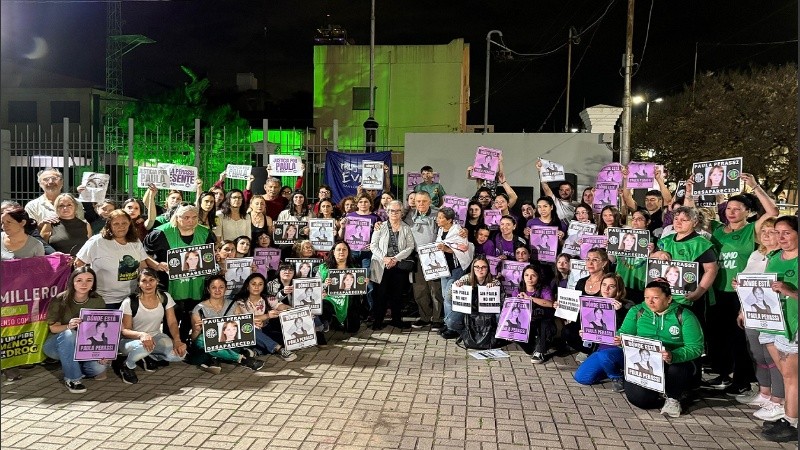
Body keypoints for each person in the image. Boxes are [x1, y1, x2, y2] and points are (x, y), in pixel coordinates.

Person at [685, 174, 778, 393]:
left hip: (742, 294)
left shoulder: (751, 230)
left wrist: (754, 186)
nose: (732, 212)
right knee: (718, 337)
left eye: (737, 209)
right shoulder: (717, 229)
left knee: (740, 339)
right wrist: (690, 193)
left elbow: (773, 213)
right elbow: (691, 217)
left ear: (748, 211)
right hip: (717, 292)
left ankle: (742, 381)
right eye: (729, 208)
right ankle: (723, 375)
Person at [616, 281, 704, 418]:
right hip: (646, 363)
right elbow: (624, 333)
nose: (650, 302)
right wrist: (619, 340)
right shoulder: (637, 311)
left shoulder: (685, 315)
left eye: (655, 298)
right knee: (640, 400)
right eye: (646, 297)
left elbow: (696, 347)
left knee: (677, 368)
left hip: (675, 363)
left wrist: (673, 355)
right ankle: (661, 393)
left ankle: (674, 397)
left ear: (668, 298)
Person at [143, 205, 217, 340]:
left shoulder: (206, 233)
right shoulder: (160, 233)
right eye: (186, 217)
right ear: (177, 217)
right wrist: (157, 264)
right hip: (168, 283)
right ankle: (168, 343)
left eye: (194, 217)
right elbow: (143, 254)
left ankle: (184, 342)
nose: (191, 221)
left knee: (191, 314)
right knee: (171, 315)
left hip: (196, 284)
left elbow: (209, 256)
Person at [757, 215, 798, 442]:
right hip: (772, 322)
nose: (780, 237)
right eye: (777, 232)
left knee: (792, 376)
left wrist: (790, 291)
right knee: (786, 374)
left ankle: (792, 422)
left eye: (787, 233)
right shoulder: (774, 257)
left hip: (794, 322)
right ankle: (791, 414)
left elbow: (789, 291)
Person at [651, 206, 718, 338]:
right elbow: (652, 260)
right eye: (676, 219)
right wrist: (658, 253)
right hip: (666, 298)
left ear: (694, 222)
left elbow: (711, 270)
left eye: (684, 220)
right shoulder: (666, 240)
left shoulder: (701, 243)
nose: (678, 222)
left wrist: (698, 292)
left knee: (691, 333)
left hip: (691, 299)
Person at [76, 209, 164, 309]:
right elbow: (79, 263)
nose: (121, 226)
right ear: (109, 225)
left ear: (130, 224)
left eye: (124, 223)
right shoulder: (97, 241)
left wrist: (156, 267)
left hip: (131, 299)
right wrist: (86, 285)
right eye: (116, 224)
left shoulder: (135, 241)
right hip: (104, 301)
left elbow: (142, 266)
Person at [43, 266, 108, 393]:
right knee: (69, 334)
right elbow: (53, 328)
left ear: (93, 283)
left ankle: (74, 366)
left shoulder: (98, 301)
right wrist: (68, 326)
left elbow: (102, 328)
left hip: (85, 345)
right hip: (56, 345)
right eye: (79, 280)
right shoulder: (60, 299)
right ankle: (73, 379)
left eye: (89, 280)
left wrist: (103, 351)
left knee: (99, 368)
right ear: (72, 282)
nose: (84, 284)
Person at [117, 268, 187, 384]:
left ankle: (148, 356)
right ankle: (126, 365)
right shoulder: (129, 302)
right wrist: (142, 335)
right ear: (139, 283)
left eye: (151, 280)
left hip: (155, 336)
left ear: (157, 281)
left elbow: (172, 322)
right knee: (143, 347)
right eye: (144, 281)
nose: (148, 284)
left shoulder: (165, 297)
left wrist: (177, 340)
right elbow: (125, 331)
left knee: (179, 355)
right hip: (131, 341)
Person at [190, 275, 264, 374]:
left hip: (229, 341)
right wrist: (197, 330)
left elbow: (240, 324)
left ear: (226, 289)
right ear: (208, 289)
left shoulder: (233, 305)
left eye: (221, 287)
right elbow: (194, 338)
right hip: (206, 342)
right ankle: (242, 359)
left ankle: (216, 358)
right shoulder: (199, 309)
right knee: (204, 339)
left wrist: (251, 322)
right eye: (213, 287)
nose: (217, 290)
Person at [571, 273, 632, 392]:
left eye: (612, 286)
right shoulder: (595, 303)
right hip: (601, 349)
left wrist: (619, 312)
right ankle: (610, 369)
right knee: (582, 377)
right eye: (604, 285)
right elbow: (590, 325)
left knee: (605, 356)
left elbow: (630, 330)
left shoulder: (628, 306)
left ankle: (617, 377)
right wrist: (586, 334)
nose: (606, 289)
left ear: (619, 289)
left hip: (620, 350)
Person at [371, 200, 416, 331]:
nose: (394, 213)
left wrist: (395, 259)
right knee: (380, 294)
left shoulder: (406, 228)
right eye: (392, 210)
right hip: (381, 265)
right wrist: (384, 258)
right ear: (387, 212)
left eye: (397, 211)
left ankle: (397, 320)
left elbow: (410, 246)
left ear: (401, 212)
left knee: (397, 294)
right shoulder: (380, 226)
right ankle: (378, 320)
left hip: (398, 265)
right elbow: (373, 245)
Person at [232, 273, 296, 361]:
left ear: (264, 286)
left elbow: (282, 306)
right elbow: (244, 319)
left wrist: (301, 311)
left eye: (260, 284)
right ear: (247, 286)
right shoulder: (240, 301)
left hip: (264, 331)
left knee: (285, 337)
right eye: (253, 284)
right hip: (247, 334)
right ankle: (279, 349)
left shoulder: (268, 298)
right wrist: (267, 316)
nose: (256, 287)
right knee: (249, 327)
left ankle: (254, 352)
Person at [404, 190, 444, 330]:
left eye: (424, 201)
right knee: (419, 289)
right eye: (418, 201)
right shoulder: (408, 215)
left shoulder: (438, 214)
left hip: (434, 256)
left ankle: (438, 319)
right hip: (417, 257)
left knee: (435, 289)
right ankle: (425, 317)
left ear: (430, 202)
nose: (421, 204)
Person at [429, 207, 473, 331]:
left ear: (449, 220)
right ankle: (448, 323)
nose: (437, 219)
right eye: (438, 217)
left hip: (456, 269)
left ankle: (453, 326)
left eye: (441, 218)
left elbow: (463, 249)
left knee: (450, 296)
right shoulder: (441, 230)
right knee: (445, 296)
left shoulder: (459, 232)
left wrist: (446, 249)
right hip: (444, 268)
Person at [444, 255, 503, 339]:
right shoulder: (466, 278)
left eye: (483, 267)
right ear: (473, 268)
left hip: (487, 314)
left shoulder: (493, 280)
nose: (480, 269)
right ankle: (466, 333)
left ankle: (493, 334)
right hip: (470, 312)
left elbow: (500, 301)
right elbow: (449, 297)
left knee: (499, 315)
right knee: (450, 322)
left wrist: (494, 287)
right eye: (477, 267)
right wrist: (456, 287)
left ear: (488, 268)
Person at [319, 241, 363, 334]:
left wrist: (363, 283)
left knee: (353, 329)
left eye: (344, 249)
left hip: (348, 299)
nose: (341, 252)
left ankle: (339, 321)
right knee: (324, 304)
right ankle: (327, 321)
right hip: (329, 298)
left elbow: (359, 290)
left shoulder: (355, 268)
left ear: (348, 252)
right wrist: (324, 284)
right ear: (333, 252)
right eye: (339, 249)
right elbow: (315, 286)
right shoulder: (323, 267)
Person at [517, 264, 555, 363]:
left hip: (542, 320)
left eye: (533, 275)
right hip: (527, 321)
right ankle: (534, 348)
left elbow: (550, 303)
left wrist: (530, 299)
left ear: (538, 277)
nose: (529, 278)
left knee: (545, 319)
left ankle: (540, 350)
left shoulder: (544, 288)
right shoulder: (519, 289)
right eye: (526, 275)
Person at [621, 165, 673, 235]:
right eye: (647, 200)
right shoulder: (639, 211)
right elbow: (627, 197)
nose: (649, 202)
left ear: (660, 201)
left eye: (652, 200)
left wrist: (658, 179)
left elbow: (668, 199)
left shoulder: (664, 214)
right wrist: (626, 179)